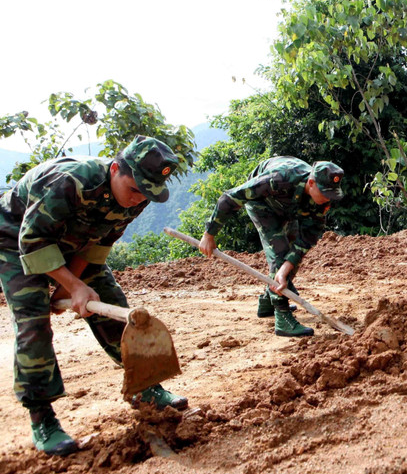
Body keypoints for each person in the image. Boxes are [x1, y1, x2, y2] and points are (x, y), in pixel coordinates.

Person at [0, 136, 187, 456]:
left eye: (148, 194)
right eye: (135, 190)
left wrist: (72, 281)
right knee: (33, 321)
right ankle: (42, 417)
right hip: (15, 239)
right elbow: (31, 240)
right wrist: (73, 285)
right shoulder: (70, 182)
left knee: (114, 307)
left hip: (72, 243)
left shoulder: (140, 195)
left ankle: (144, 389)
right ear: (115, 169)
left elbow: (100, 241)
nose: (139, 199)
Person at [198, 157, 344, 338]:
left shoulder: (322, 200)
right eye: (325, 194)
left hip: (287, 207)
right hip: (262, 203)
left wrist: (285, 271)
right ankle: (282, 318)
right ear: (311, 183)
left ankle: (268, 301)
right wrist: (209, 234)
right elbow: (231, 196)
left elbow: (307, 239)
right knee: (280, 253)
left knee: (289, 259)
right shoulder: (278, 179)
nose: (328, 199)